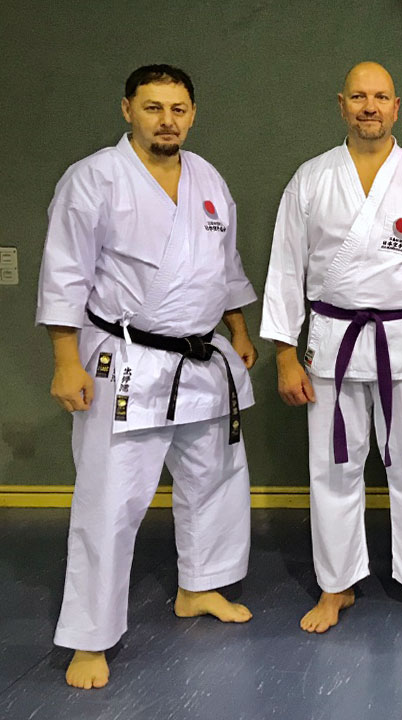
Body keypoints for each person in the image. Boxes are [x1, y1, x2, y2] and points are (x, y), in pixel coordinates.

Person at [37, 64, 257, 689]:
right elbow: (65, 274)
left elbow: (225, 265)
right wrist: (65, 361)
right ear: (127, 109)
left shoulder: (208, 178)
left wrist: (238, 329)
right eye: (154, 107)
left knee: (214, 478)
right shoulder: (93, 179)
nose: (167, 120)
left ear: (192, 114)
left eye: (178, 109)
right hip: (126, 360)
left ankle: (199, 585)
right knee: (110, 500)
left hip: (201, 357)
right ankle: (89, 638)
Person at [260, 61, 402, 634]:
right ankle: (336, 585)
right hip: (332, 346)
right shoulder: (311, 179)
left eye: (379, 97)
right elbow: (285, 268)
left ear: (397, 107)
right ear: (341, 105)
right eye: (358, 97)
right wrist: (285, 354)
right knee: (333, 469)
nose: (369, 107)